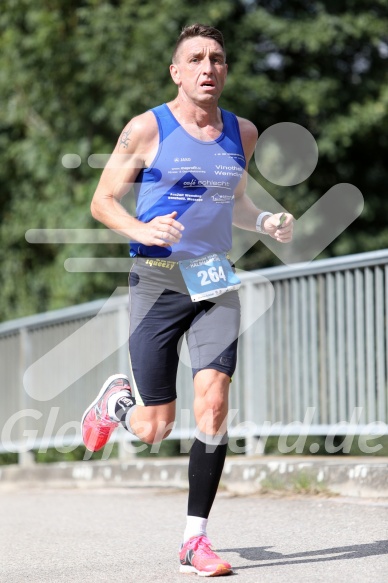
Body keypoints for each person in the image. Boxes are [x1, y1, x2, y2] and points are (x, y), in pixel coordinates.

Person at [81, 23, 293, 577]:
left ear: (226, 70)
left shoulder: (242, 132)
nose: (208, 67)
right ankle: (118, 406)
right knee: (155, 429)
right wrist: (142, 228)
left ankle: (194, 540)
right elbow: (102, 201)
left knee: (215, 404)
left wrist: (265, 220)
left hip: (212, 278)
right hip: (155, 282)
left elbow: (236, 201)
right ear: (176, 72)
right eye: (196, 58)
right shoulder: (146, 129)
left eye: (217, 58)